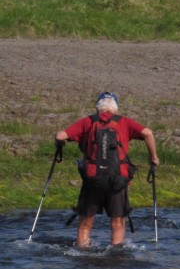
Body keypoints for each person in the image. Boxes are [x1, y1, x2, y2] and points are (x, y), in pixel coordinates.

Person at [55, 92, 159, 248]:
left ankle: (82, 251)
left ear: (98, 109)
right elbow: (148, 133)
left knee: (85, 222)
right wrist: (154, 158)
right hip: (117, 179)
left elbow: (60, 136)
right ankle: (115, 253)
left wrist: (59, 145)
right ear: (115, 109)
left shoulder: (88, 121)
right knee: (117, 222)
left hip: (93, 179)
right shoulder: (124, 122)